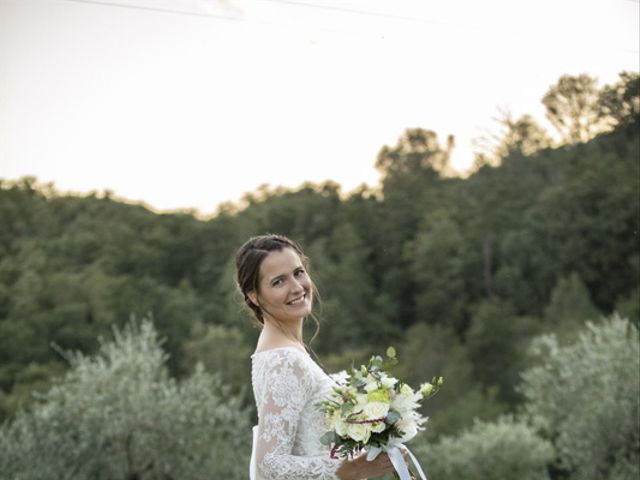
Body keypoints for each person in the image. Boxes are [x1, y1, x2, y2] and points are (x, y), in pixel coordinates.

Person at [236, 234, 399, 480]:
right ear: (254, 296)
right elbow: (270, 463)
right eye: (279, 282)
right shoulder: (284, 361)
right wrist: (352, 469)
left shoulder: (285, 350)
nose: (296, 287)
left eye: (298, 273)